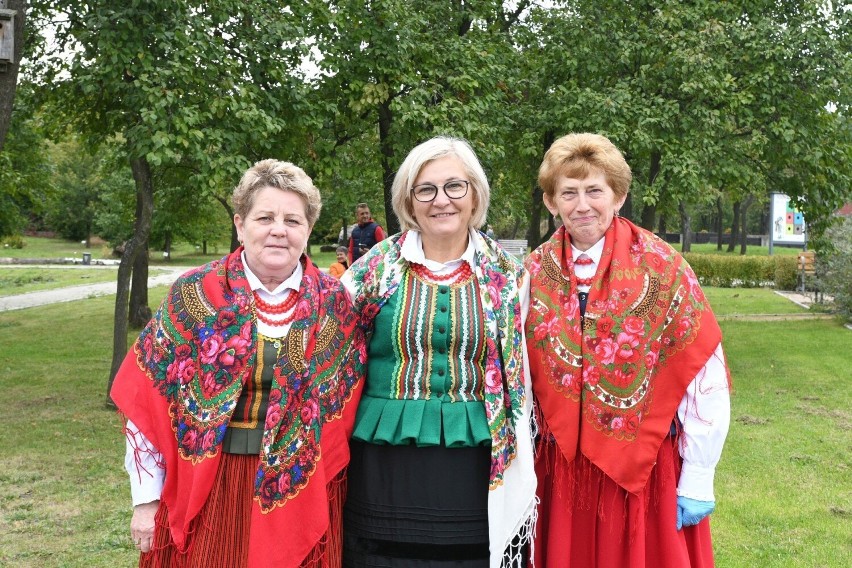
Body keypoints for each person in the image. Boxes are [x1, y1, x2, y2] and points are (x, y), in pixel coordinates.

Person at [111, 159, 365, 568]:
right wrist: (146, 501)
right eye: (265, 217)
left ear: (308, 230)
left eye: (293, 220)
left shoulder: (336, 304)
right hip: (209, 488)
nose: (279, 230)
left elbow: (345, 414)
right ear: (240, 223)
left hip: (300, 491)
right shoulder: (193, 294)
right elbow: (147, 406)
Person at [525, 133, 731, 567]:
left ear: (618, 196)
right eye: (568, 192)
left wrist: (698, 475)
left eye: (594, 190)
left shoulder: (664, 268)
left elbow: (702, 371)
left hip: (643, 473)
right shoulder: (530, 274)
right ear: (551, 202)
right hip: (559, 474)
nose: (582, 205)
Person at [340, 136, 537, 567]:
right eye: (425, 189)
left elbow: (519, 380)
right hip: (384, 469)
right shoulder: (368, 274)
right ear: (409, 202)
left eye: (454, 187)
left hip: (475, 469)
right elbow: (336, 367)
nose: (441, 201)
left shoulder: (510, 278)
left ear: (474, 196)